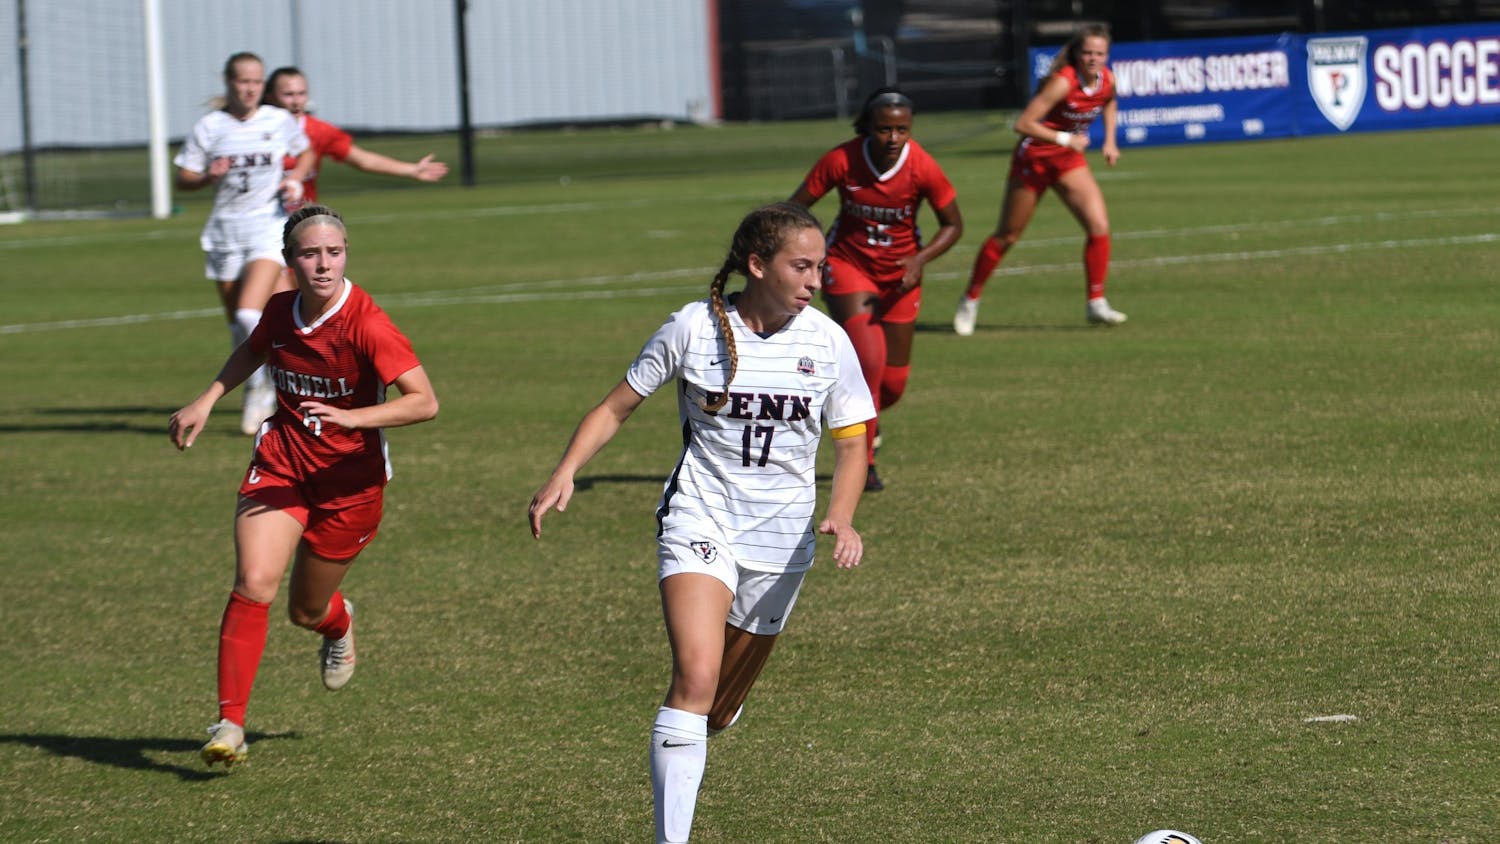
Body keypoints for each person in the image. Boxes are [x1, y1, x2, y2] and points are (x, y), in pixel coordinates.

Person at [527, 202, 875, 844]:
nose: (814, 281)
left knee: (716, 709)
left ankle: (719, 710)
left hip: (782, 540)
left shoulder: (827, 341)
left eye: (820, 268)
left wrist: (842, 517)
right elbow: (616, 406)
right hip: (700, 515)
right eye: (801, 267)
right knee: (693, 678)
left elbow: (855, 443)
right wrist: (565, 469)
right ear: (756, 265)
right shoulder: (692, 327)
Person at [168, 204, 439, 769]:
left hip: (350, 487)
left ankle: (339, 625)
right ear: (290, 263)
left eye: (333, 252)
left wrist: (355, 419)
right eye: (310, 254)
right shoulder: (280, 309)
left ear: (346, 254)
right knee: (254, 581)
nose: (324, 264)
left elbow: (424, 401)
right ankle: (230, 723)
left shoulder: (366, 323)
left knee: (305, 610)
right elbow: (254, 349)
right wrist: (208, 397)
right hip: (282, 464)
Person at [789, 87, 962, 492]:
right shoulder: (842, 160)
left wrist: (919, 261)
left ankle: (869, 423)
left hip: (901, 276)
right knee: (868, 364)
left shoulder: (922, 166)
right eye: (885, 129)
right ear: (868, 127)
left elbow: (953, 224)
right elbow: (795, 208)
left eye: (902, 129)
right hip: (849, 266)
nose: (893, 138)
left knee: (892, 386)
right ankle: (863, 465)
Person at [175, 52, 316, 436]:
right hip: (224, 233)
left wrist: (295, 179)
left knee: (248, 315)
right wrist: (207, 176)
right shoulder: (210, 127)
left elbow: (305, 152)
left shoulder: (277, 120)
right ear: (229, 83)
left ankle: (263, 387)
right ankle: (260, 380)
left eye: (256, 82)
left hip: (267, 229)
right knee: (238, 327)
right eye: (242, 81)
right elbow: (183, 178)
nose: (250, 88)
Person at [953, 22, 1126, 335]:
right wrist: (1064, 139)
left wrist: (1110, 141)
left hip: (1068, 162)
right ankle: (970, 298)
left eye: (1099, 53)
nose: (1093, 58)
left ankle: (1096, 301)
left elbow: (1110, 102)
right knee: (1008, 236)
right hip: (1034, 160)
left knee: (1099, 227)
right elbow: (1023, 123)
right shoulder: (1063, 82)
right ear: (1076, 52)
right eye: (1087, 52)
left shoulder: (1107, 80)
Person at [262, 66, 450, 208]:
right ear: (270, 97)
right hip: (259, 218)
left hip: (299, 221)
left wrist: (411, 170)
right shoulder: (254, 130)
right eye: (288, 94)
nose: (296, 101)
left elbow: (363, 160)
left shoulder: (319, 130)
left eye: (301, 94)